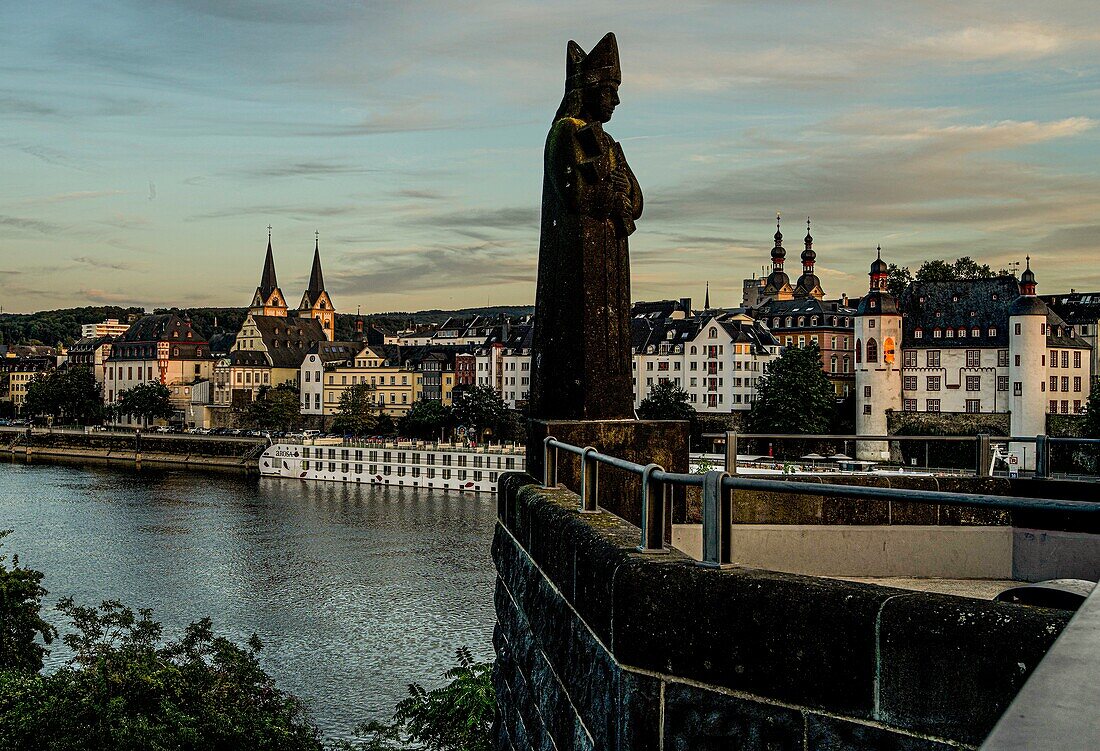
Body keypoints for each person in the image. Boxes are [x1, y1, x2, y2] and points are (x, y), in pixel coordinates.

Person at [530, 32, 642, 420]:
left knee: (613, 334)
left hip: (612, 254)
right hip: (577, 260)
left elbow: (638, 200)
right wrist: (609, 197)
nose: (616, 99)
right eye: (610, 90)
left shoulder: (610, 144)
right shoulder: (566, 133)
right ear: (590, 89)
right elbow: (573, 196)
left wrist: (622, 193)